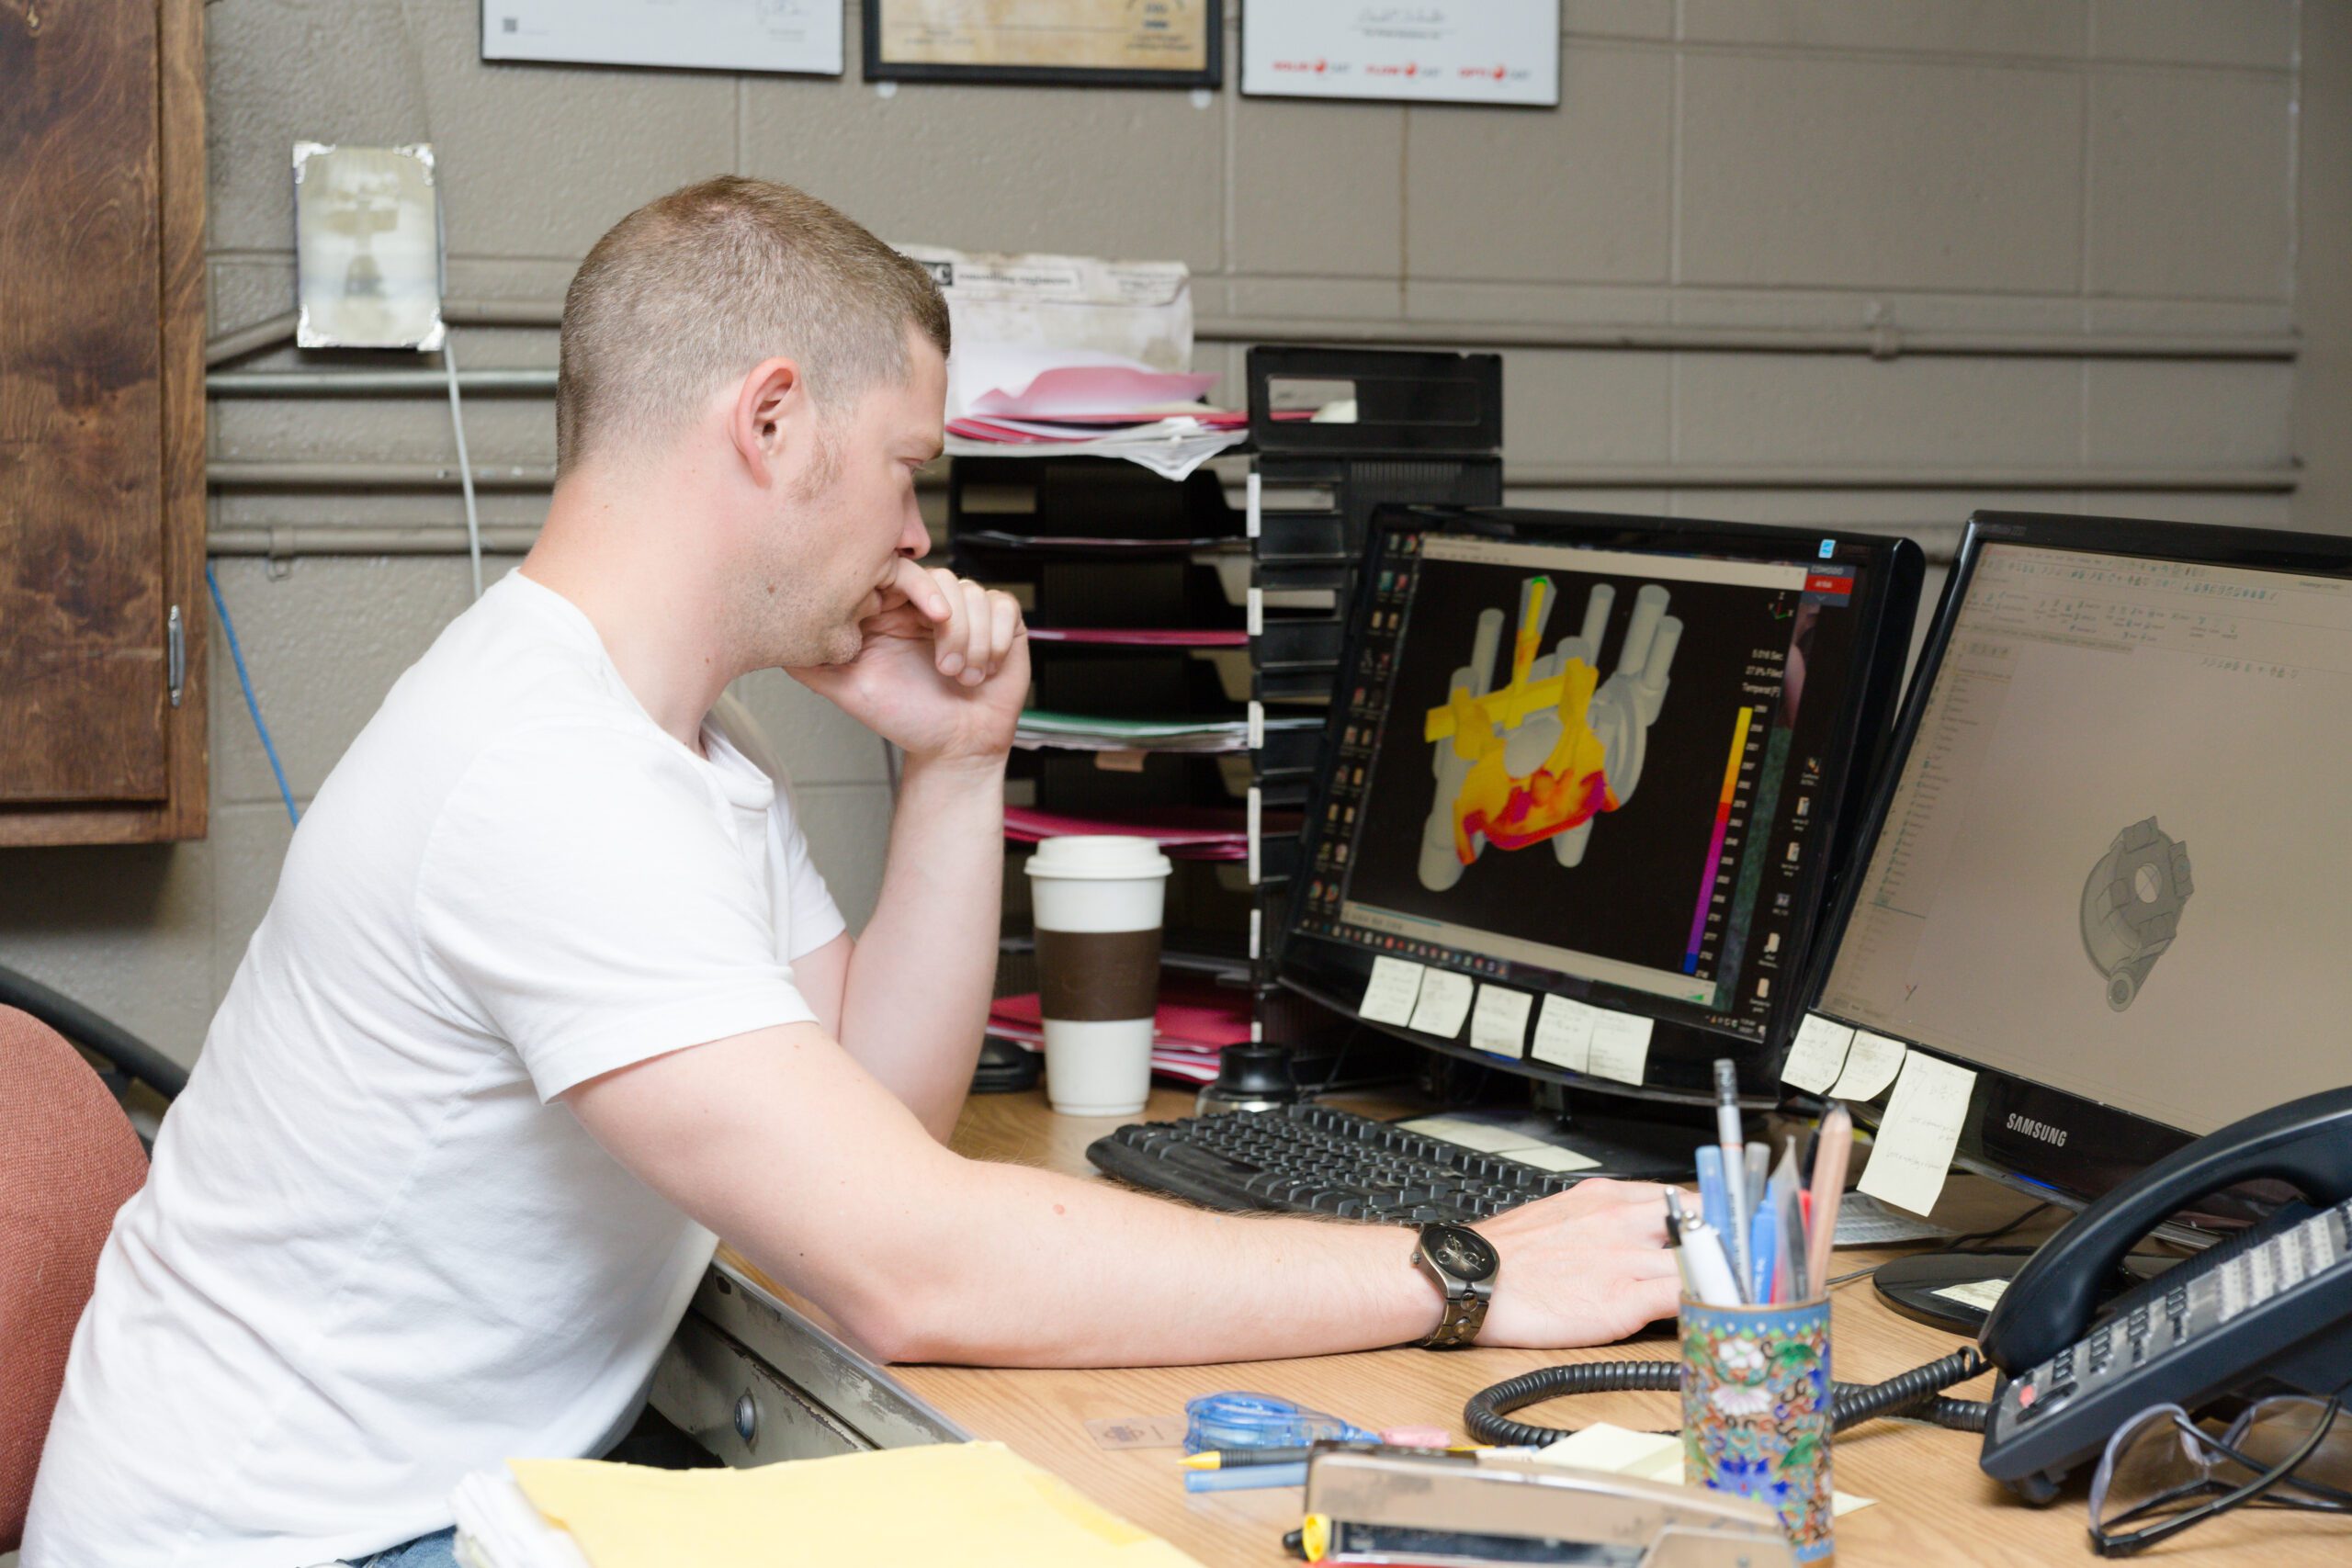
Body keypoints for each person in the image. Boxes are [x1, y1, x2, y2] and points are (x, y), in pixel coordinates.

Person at [24, 178, 1679, 1568]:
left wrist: (955, 765)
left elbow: (879, 1120)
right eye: (904, 467)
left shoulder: (673, 740)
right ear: (770, 421)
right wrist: (1464, 1271)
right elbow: (911, 1265)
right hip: (285, 1546)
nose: (917, 536)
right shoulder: (549, 776)